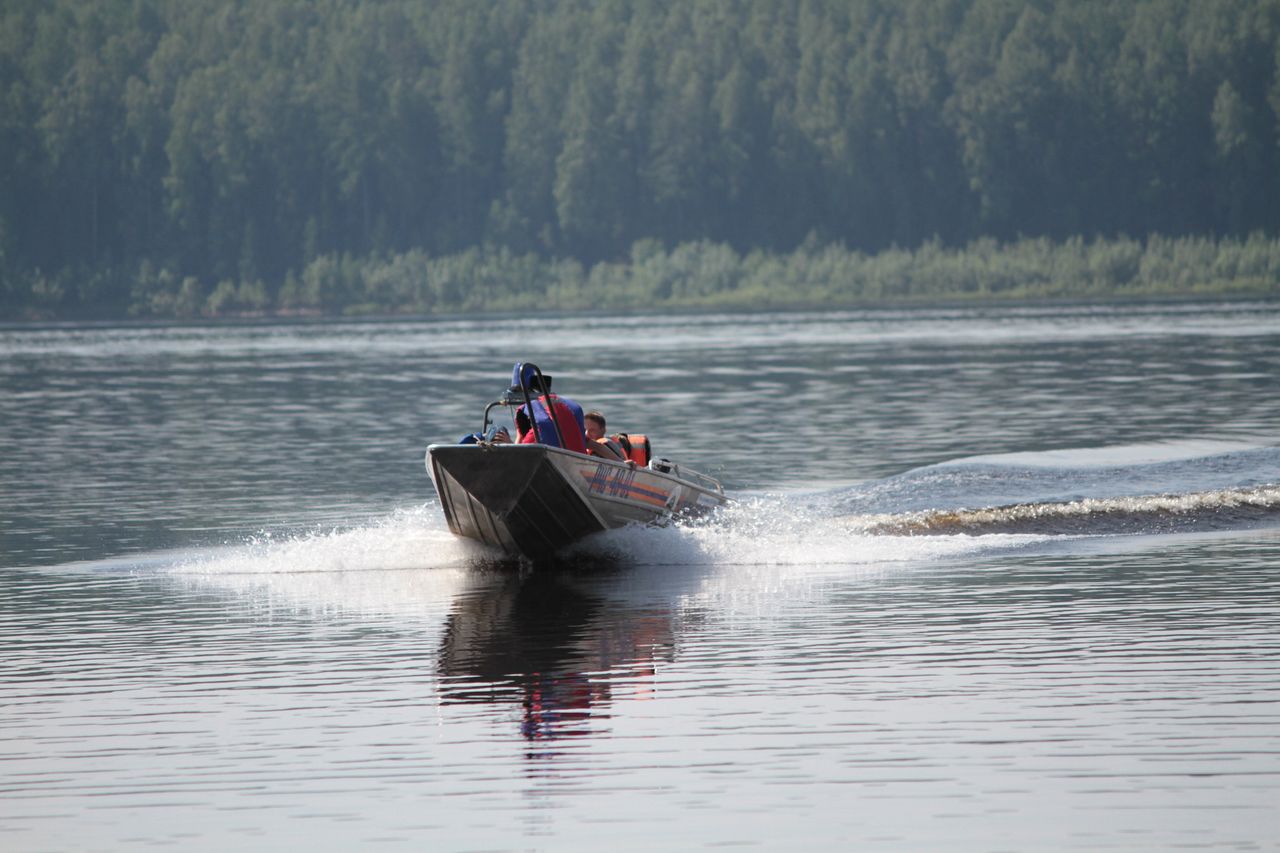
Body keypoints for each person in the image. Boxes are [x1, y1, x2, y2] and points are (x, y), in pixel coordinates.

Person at [509, 362, 587, 453]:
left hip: (541, 455)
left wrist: (507, 442)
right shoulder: (572, 406)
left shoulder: (526, 410)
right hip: (577, 458)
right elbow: (593, 444)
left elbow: (518, 448)